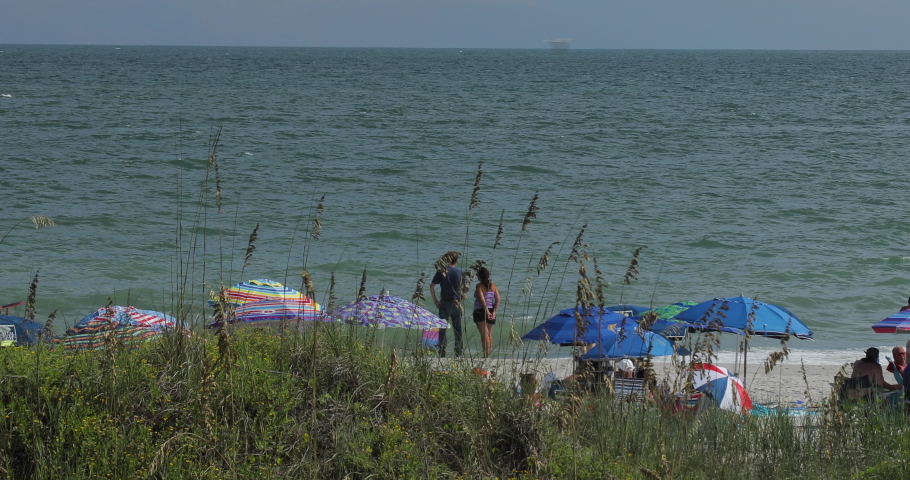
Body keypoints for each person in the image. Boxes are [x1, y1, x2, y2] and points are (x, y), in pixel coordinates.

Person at [430, 251, 464, 358]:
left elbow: (432, 286)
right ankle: (458, 352)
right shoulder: (461, 272)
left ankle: (441, 352)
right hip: (456, 303)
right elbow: (466, 287)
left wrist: (435, 300)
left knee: (442, 329)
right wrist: (461, 298)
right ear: (456, 260)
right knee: (458, 329)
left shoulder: (442, 271)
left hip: (444, 303)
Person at [472, 267, 500, 358]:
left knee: (484, 333)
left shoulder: (479, 286)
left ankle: (486, 355)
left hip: (480, 311)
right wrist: (494, 312)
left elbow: (482, 300)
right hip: (491, 309)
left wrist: (487, 312)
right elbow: (498, 299)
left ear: (480, 276)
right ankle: (488, 353)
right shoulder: (493, 285)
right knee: (489, 333)